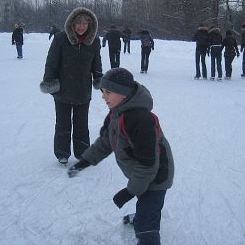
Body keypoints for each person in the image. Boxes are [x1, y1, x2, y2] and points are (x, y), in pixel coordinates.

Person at [67, 67, 174, 245]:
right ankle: (141, 216)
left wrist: (129, 191)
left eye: (108, 92)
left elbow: (148, 165)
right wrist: (85, 161)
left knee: (148, 218)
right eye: (103, 91)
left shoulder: (140, 120)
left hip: (157, 176)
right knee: (144, 201)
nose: (103, 96)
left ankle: (145, 227)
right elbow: (106, 142)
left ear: (123, 93)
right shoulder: (117, 113)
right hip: (140, 173)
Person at [40, 7, 103, 165]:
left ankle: (82, 153)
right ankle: (62, 153)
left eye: (85, 23)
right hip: (63, 91)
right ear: (72, 24)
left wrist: (100, 81)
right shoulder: (61, 38)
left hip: (83, 91)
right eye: (79, 23)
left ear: (90, 25)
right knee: (63, 123)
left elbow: (97, 65)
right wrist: (50, 81)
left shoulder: (94, 41)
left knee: (82, 124)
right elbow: (52, 62)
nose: (82, 26)